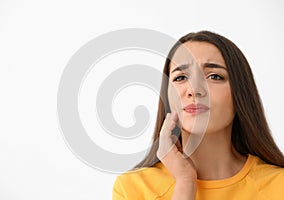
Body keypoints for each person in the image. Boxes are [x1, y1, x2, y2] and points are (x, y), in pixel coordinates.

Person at [112, 31, 284, 200]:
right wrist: (185, 183)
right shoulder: (133, 188)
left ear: (241, 94)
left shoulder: (279, 185)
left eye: (214, 76)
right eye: (180, 78)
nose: (194, 89)